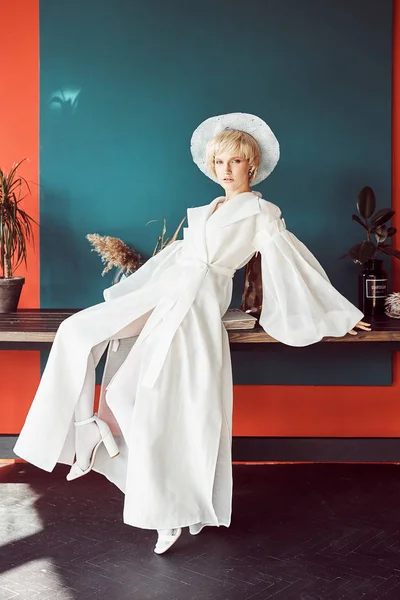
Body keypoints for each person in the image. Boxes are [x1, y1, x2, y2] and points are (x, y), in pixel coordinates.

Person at [14, 112, 370, 555]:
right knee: (79, 333)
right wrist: (131, 291)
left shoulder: (261, 212)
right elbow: (177, 258)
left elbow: (290, 260)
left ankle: (169, 509)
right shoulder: (209, 210)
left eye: (235, 161)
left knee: (153, 404)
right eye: (218, 161)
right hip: (166, 293)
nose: (225, 169)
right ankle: (87, 434)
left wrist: (337, 312)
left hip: (197, 306)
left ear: (251, 167)